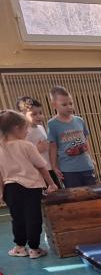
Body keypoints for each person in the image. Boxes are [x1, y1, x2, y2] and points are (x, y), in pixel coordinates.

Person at [0, 110, 58, 259]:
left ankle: (19, 247)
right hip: (31, 188)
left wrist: (1, 191)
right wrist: (51, 184)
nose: (27, 132)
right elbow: (41, 167)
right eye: (25, 128)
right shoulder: (26, 145)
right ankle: (34, 248)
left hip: (10, 188)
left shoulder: (1, 147)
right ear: (16, 128)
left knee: (17, 218)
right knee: (33, 218)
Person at [46, 86, 97, 188]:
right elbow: (53, 146)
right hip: (68, 170)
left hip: (86, 166)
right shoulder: (52, 124)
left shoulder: (79, 120)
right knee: (74, 195)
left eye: (71, 103)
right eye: (64, 104)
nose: (69, 107)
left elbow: (86, 140)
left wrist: (91, 158)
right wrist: (54, 166)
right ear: (54, 105)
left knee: (92, 193)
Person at [16, 96, 58, 187]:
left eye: (40, 113)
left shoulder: (41, 127)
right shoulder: (25, 132)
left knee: (57, 190)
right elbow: (23, 152)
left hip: (48, 166)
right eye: (34, 114)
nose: (39, 116)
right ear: (23, 114)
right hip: (38, 170)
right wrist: (37, 149)